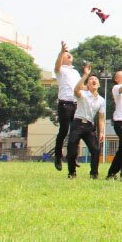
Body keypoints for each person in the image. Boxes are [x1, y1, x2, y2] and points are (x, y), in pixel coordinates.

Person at [66, 66, 104, 179]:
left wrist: (101, 132)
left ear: (98, 85)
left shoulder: (101, 100)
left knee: (95, 149)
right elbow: (76, 89)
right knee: (72, 150)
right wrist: (85, 75)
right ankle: (72, 173)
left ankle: (94, 174)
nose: (93, 81)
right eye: (90, 80)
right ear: (87, 84)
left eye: (96, 80)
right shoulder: (83, 94)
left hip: (89, 126)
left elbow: (101, 118)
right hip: (77, 124)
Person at [53, 41, 81, 172]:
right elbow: (57, 66)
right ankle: (58, 156)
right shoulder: (60, 70)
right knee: (64, 131)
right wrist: (61, 52)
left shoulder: (75, 72)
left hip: (76, 104)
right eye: (66, 55)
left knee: (76, 133)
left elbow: (80, 87)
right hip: (65, 104)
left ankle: (73, 157)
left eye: (69, 54)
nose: (68, 55)